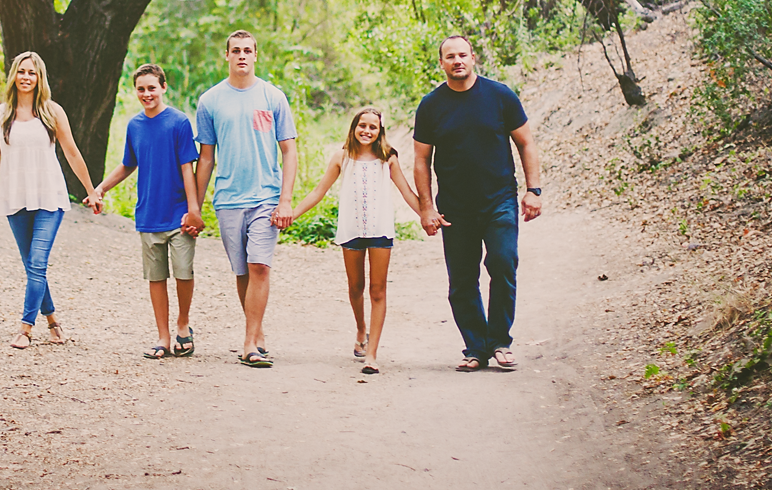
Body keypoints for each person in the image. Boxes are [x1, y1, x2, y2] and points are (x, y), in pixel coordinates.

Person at [413, 34, 542, 372]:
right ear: (441, 63)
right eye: (450, 57)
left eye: (462, 55)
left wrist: (534, 190)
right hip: (454, 208)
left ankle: (500, 341)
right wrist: (426, 207)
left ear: (473, 58)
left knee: (503, 262)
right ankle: (475, 347)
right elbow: (421, 159)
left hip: (499, 199)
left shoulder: (500, 96)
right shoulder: (431, 106)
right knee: (462, 280)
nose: (457, 61)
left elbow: (526, 142)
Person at [0, 51, 99, 349]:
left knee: (37, 263)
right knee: (34, 267)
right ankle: (54, 323)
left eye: (31, 72)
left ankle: (25, 328)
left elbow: (71, 151)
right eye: (21, 72)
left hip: (50, 197)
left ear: (39, 77)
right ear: (13, 76)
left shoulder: (52, 112)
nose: (25, 77)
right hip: (15, 198)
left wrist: (91, 189)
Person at [194, 30, 297, 368]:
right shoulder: (210, 101)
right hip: (228, 199)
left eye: (247, 50)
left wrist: (285, 200)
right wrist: (194, 206)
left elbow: (289, 151)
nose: (242, 56)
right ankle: (257, 332)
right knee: (242, 271)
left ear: (256, 55)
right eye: (235, 50)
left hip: (266, 196)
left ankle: (249, 343)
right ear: (226, 55)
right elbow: (206, 157)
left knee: (259, 267)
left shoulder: (273, 97)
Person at [292, 106, 421, 374]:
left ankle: (372, 353)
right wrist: (292, 214)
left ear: (380, 131)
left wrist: (427, 214)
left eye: (373, 127)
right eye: (362, 125)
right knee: (356, 287)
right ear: (354, 127)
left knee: (378, 289)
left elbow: (407, 191)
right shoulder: (342, 157)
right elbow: (319, 190)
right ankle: (361, 329)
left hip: (380, 230)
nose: (367, 131)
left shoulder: (389, 158)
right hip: (351, 231)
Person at [94, 63, 206, 360]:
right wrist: (101, 188)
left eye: (152, 88)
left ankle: (183, 323)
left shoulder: (179, 122)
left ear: (163, 87)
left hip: (179, 214)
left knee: (183, 272)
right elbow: (128, 164)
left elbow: (187, 167)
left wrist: (193, 210)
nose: (147, 94)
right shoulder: (135, 126)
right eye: (141, 89)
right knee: (156, 277)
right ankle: (163, 336)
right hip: (148, 214)